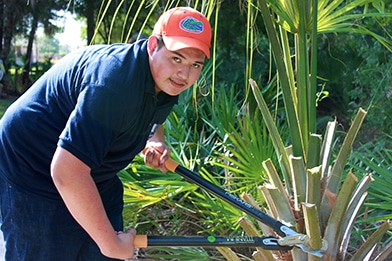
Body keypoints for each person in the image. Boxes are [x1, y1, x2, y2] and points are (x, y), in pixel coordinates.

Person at [0, 6, 211, 261]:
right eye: (177, 58)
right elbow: (67, 171)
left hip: (92, 172)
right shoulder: (114, 85)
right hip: (33, 169)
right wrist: (111, 244)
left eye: (195, 64)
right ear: (153, 46)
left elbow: (153, 116)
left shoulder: (166, 81)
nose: (185, 74)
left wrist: (154, 139)